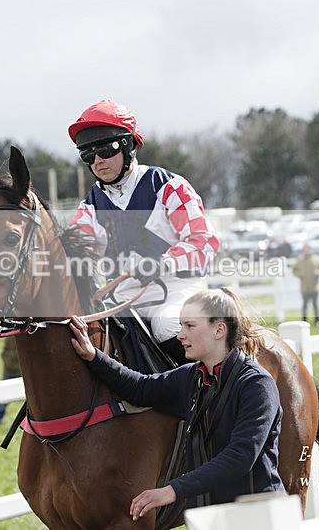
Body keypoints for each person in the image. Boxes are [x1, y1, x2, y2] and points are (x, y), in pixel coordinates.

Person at [68, 288, 284, 519]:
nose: (180, 335)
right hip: (209, 517)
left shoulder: (257, 384)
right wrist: (94, 356)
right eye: (181, 326)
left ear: (219, 329)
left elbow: (240, 457)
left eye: (190, 326)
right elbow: (141, 389)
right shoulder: (191, 377)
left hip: (259, 515)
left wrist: (172, 490)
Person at [68, 100, 220, 362]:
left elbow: (204, 243)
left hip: (176, 291)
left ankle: (205, 397)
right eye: (88, 155)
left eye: (105, 150)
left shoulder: (169, 186)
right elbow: (78, 255)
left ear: (127, 146)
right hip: (121, 301)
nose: (97, 161)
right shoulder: (90, 206)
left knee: (168, 326)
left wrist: (161, 263)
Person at [0, 338, 22, 427]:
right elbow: (6, 351)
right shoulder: (10, 336)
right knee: (4, 398)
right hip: (10, 370)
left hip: (19, 371)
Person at [292, 245, 319, 326]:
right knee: (304, 305)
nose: (306, 251)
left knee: (315, 305)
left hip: (315, 287)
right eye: (305, 250)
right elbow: (294, 270)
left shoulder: (316, 259)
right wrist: (300, 274)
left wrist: (318, 273)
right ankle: (304, 321)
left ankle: (317, 320)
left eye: (308, 250)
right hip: (304, 287)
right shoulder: (300, 260)